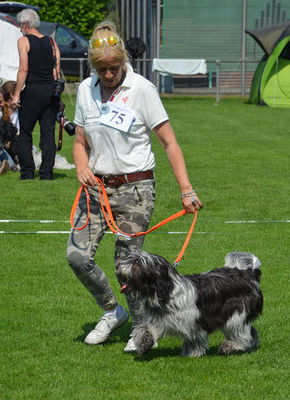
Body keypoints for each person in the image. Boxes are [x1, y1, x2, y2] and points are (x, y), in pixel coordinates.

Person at [65, 22, 203, 352]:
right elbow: (80, 141)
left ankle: (142, 327)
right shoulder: (85, 90)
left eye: (114, 66)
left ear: (124, 59)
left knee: (126, 266)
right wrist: (82, 165)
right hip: (96, 189)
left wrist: (186, 189)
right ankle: (113, 311)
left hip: (135, 189)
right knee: (76, 256)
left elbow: (169, 142)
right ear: (92, 65)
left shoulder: (142, 90)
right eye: (102, 68)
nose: (109, 73)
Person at [12, 8, 60, 180]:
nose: (19, 28)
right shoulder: (51, 42)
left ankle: (27, 172)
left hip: (32, 90)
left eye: (19, 25)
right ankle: (47, 173)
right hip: (50, 91)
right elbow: (57, 71)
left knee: (25, 132)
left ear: (25, 24)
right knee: (48, 134)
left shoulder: (23, 41)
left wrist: (17, 93)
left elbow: (23, 68)